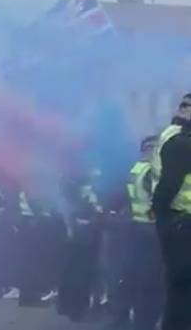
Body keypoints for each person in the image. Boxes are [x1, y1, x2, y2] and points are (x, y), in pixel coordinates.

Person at [106, 135, 162, 330]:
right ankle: (145, 321)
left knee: (131, 277)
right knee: (152, 281)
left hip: (135, 229)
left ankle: (124, 317)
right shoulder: (151, 173)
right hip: (152, 232)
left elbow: (123, 199)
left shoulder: (135, 170)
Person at [152, 95, 191, 330]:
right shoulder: (180, 142)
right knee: (181, 288)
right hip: (181, 222)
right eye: (186, 106)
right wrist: (162, 214)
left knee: (181, 289)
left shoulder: (173, 136)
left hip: (177, 222)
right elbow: (168, 185)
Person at [58, 168, 104, 323]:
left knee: (79, 271)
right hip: (81, 235)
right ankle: (75, 309)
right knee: (79, 272)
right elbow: (71, 210)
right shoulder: (73, 187)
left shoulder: (72, 184)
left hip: (84, 233)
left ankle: (74, 307)